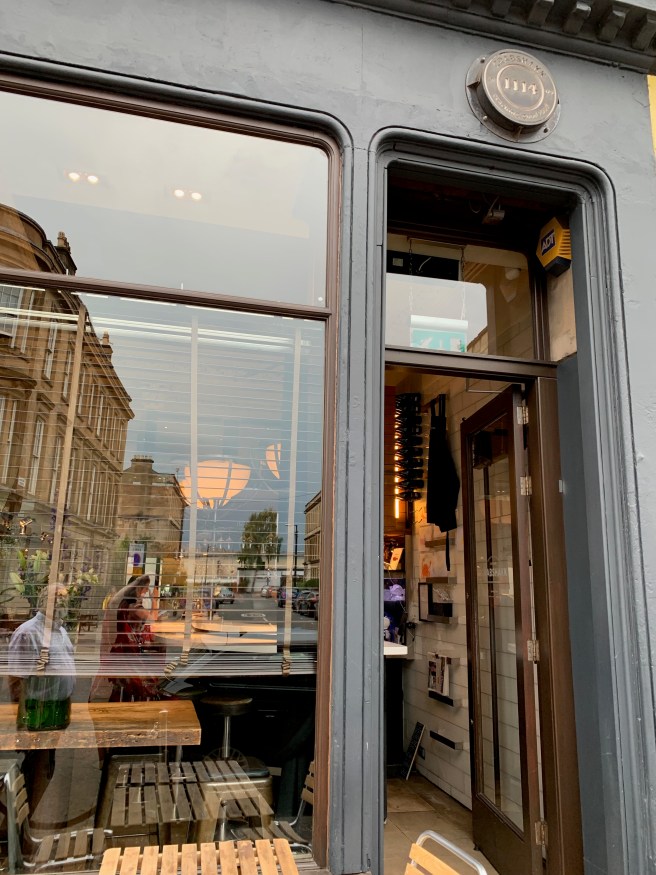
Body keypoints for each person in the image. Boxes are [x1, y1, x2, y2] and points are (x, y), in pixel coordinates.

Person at [91, 575, 162, 702]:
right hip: (127, 651)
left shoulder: (124, 603)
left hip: (120, 648)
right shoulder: (134, 607)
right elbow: (153, 619)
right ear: (138, 589)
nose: (147, 592)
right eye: (145, 588)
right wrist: (155, 600)